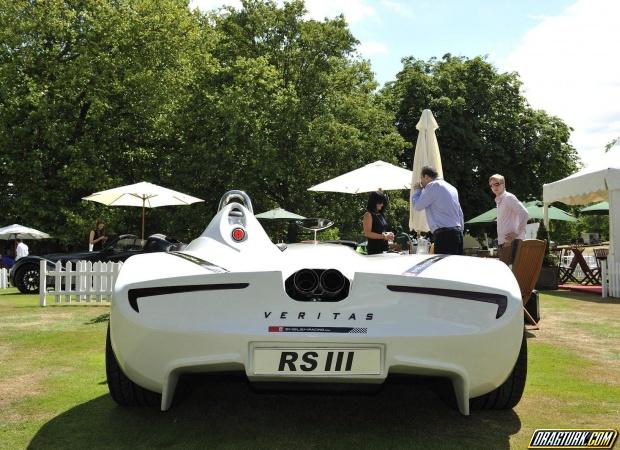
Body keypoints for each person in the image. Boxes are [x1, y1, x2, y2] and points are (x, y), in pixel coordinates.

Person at [411, 166, 464, 255]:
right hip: (457, 232)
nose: (421, 182)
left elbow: (417, 206)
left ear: (426, 177)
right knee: (454, 266)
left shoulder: (432, 185)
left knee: (444, 267)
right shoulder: (451, 187)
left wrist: (417, 190)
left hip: (445, 234)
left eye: (421, 178)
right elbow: (460, 213)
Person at [489, 174, 529, 264]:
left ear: (503, 184)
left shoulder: (508, 198)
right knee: (507, 274)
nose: (494, 187)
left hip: (511, 243)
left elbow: (525, 214)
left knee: (510, 275)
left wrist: (517, 233)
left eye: (497, 184)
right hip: (505, 244)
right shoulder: (500, 200)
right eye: (491, 185)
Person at [363, 190, 394, 255]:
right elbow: (367, 233)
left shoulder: (381, 214)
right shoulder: (368, 214)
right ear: (374, 202)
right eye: (380, 202)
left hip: (384, 249)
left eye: (383, 202)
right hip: (374, 251)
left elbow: (381, 231)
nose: (382, 204)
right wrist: (384, 236)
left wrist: (388, 234)